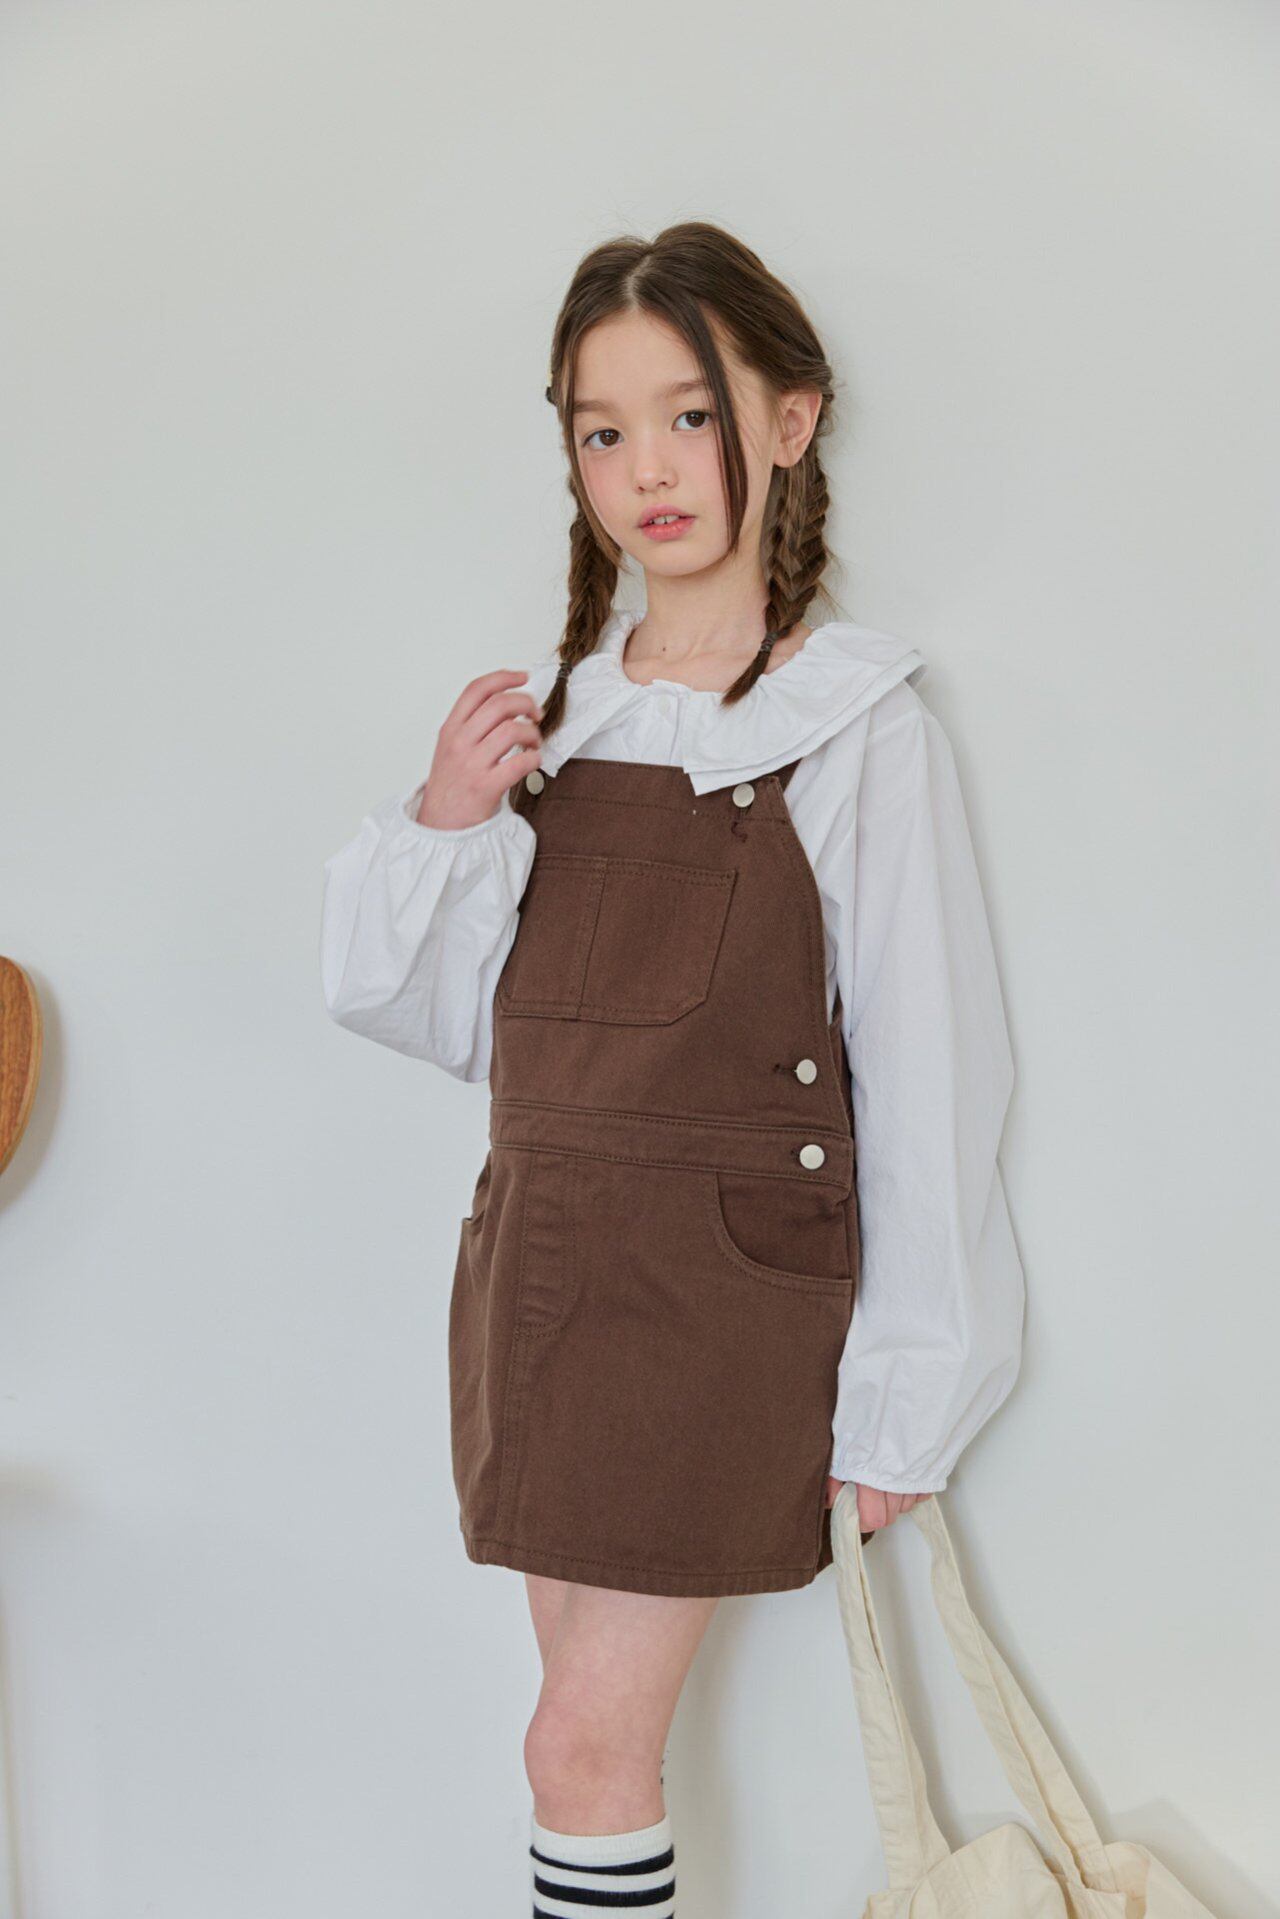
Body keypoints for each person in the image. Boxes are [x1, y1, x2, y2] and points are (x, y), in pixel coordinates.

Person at [319, 220, 1024, 1918]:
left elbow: (934, 1073)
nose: (647, 469)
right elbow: (430, 1019)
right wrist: (448, 817)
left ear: (789, 419)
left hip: (721, 1300)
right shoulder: (553, 724)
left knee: (579, 1749)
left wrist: (913, 1385)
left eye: (689, 416)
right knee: (584, 1757)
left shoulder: (853, 723)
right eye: (602, 429)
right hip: (544, 1278)